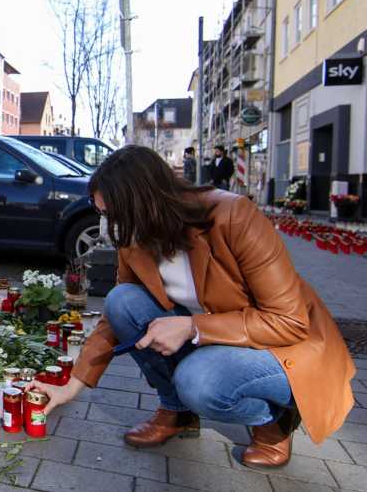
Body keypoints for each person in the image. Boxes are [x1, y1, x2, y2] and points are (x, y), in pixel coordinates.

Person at [34, 146, 354, 468]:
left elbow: (288, 321)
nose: (108, 228)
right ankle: (176, 412)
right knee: (123, 301)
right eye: (102, 214)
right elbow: (114, 315)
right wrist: (73, 384)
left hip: (286, 345)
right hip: (219, 336)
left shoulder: (233, 216)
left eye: (113, 216)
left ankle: (273, 421)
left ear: (146, 203)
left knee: (198, 381)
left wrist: (192, 327)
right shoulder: (135, 235)